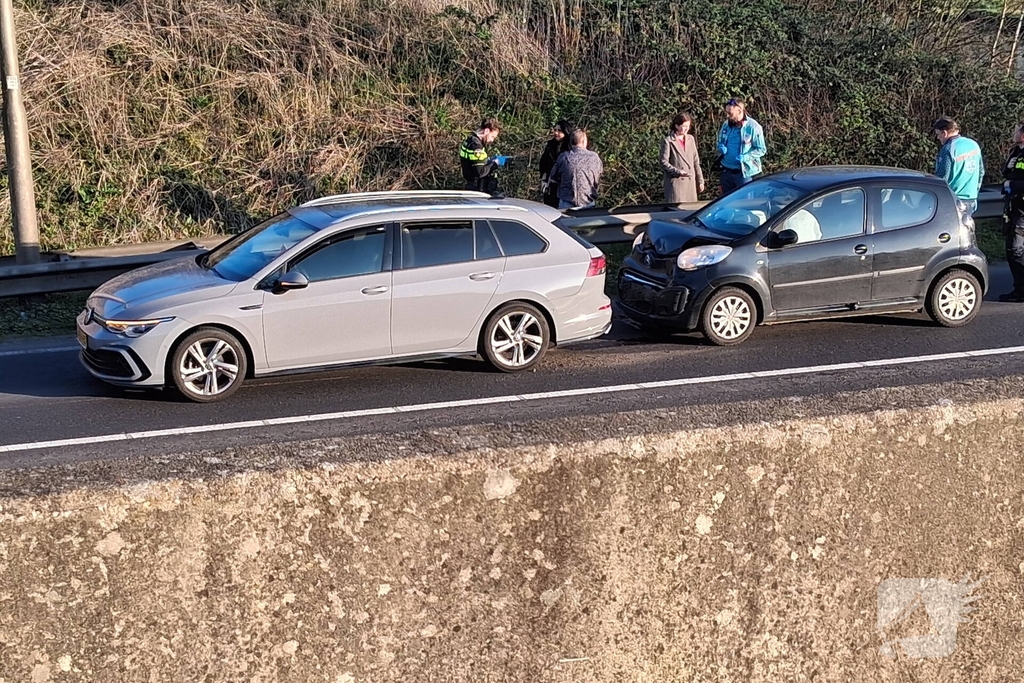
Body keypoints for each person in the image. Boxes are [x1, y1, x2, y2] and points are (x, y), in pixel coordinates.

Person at [932, 117, 983, 214]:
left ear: (944, 133)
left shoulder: (948, 149)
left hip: (953, 200)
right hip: (971, 199)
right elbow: (981, 172)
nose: (938, 138)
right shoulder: (974, 144)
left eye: (938, 134)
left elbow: (942, 178)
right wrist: (975, 193)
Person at [716, 98, 766, 195]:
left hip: (744, 173)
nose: (727, 116)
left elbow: (761, 149)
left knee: (745, 200)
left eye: (730, 113)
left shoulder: (753, 127)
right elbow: (719, 141)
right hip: (726, 171)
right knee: (726, 200)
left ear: (739, 111)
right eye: (727, 113)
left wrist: (746, 157)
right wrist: (720, 146)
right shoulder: (726, 124)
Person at [999, 121, 1024, 302]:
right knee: (1013, 247)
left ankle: (1021, 291)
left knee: (1016, 249)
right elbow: (1006, 172)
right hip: (1014, 206)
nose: (1014, 134)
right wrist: (1008, 170)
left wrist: (1012, 184)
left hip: (1022, 209)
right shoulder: (1016, 152)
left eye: (1016, 131)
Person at [549, 129, 603, 210]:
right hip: (588, 203)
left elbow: (553, 178)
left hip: (566, 204)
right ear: (584, 141)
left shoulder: (563, 157)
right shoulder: (594, 158)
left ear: (570, 142)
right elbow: (599, 175)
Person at [660, 113, 705, 203]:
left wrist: (700, 181)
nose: (687, 129)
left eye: (688, 126)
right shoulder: (668, 141)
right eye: (684, 126)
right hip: (676, 186)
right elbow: (663, 162)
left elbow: (696, 162)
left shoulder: (691, 139)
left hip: (690, 185)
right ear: (676, 126)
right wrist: (678, 172)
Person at [459, 117, 507, 194]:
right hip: (476, 190)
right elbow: (480, 172)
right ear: (486, 131)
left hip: (470, 186)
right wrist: (495, 163)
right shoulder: (476, 146)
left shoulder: (470, 140)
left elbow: (474, 163)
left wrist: (488, 160)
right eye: (492, 136)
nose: (492, 140)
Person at [539, 120, 573, 208]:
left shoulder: (571, 148)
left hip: (565, 187)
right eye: (555, 130)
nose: (556, 133)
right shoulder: (550, 146)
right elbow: (543, 164)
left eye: (559, 131)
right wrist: (543, 180)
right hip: (550, 185)